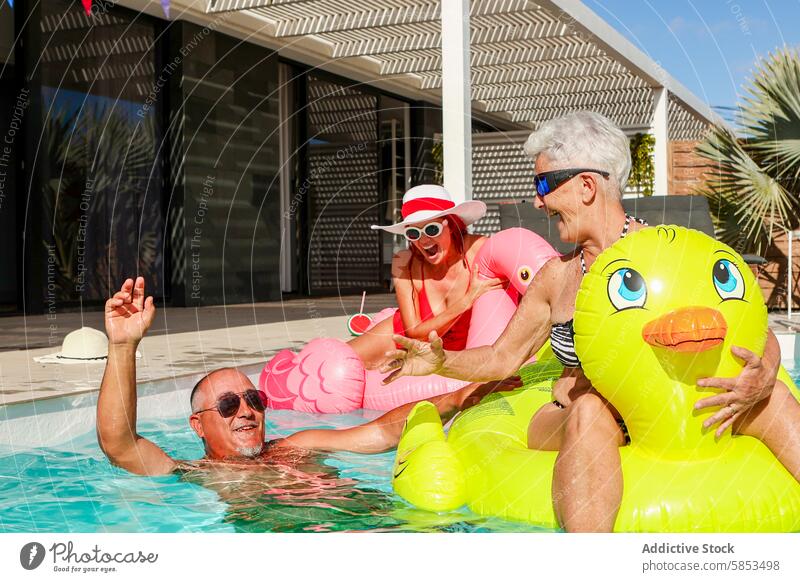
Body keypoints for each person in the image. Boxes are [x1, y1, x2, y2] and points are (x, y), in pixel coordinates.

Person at [380, 111, 800, 532]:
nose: (538, 202)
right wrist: (438, 361)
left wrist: (762, 374)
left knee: (777, 395)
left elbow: (750, 324)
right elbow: (501, 357)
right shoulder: (557, 277)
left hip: (671, 411)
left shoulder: (668, 254)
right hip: (576, 413)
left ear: (585, 186)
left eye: (543, 185)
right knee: (591, 408)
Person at [96, 277, 520, 476]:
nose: (246, 410)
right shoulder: (193, 473)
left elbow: (380, 433)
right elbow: (119, 443)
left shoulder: (296, 445)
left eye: (254, 399)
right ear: (198, 425)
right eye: (228, 404)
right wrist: (122, 346)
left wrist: (458, 397)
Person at [348, 184, 503, 368]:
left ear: (451, 224)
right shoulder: (405, 263)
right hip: (406, 341)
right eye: (413, 232)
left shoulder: (479, 250)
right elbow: (414, 333)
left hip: (458, 355)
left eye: (431, 229)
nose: (423, 240)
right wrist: (467, 301)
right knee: (334, 362)